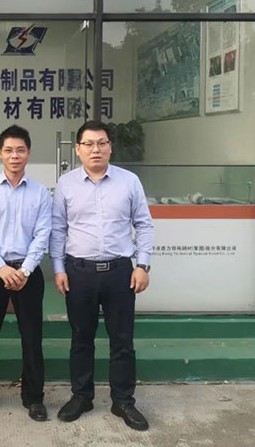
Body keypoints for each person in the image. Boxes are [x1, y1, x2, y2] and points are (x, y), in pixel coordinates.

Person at [51, 120, 154, 431]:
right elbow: (58, 229)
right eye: (88, 144)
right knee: (81, 339)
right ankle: (82, 396)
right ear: (78, 149)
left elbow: (144, 224)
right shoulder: (66, 184)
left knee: (122, 340)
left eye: (102, 143)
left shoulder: (129, 181)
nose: (95, 149)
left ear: (111, 147)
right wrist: (58, 269)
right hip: (78, 272)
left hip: (120, 272)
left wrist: (143, 265)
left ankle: (123, 401)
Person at [0, 125, 52, 422]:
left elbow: (43, 234)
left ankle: (34, 397)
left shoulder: (41, 193)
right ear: (0, 153)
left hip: (28, 273)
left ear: (28, 153)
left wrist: (25, 269)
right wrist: (2, 267)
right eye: (9, 150)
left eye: (20, 150)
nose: (14, 155)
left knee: (31, 337)